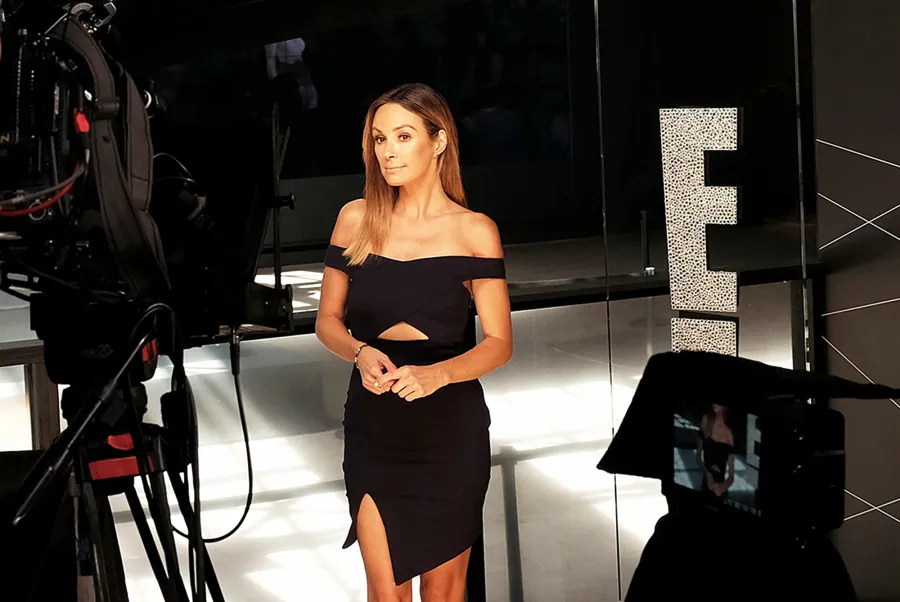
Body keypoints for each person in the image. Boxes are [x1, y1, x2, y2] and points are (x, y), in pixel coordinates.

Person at [315, 82, 513, 602]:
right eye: (380, 139)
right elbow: (327, 322)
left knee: (444, 594)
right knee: (386, 594)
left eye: (403, 136)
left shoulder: (475, 230)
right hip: (374, 425)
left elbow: (499, 343)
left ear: (439, 141)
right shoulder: (354, 219)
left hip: (450, 429)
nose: (388, 151)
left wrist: (437, 374)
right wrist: (359, 352)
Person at [695, 403, 735, 500]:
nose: (703, 424)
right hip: (706, 483)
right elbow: (698, 458)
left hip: (721, 487)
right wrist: (708, 475)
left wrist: (724, 486)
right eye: (702, 421)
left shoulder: (729, 437)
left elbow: (731, 476)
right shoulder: (702, 436)